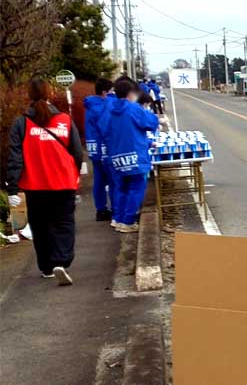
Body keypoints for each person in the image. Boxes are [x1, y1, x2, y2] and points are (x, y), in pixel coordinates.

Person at [5, 77, 85, 284]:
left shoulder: (21, 123)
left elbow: (15, 157)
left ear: (29, 95)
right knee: (64, 223)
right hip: (63, 183)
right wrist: (74, 174)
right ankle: (62, 261)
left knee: (40, 227)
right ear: (50, 94)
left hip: (35, 186)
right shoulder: (65, 120)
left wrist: (13, 188)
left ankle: (47, 267)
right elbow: (76, 152)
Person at [103, 77, 159, 233]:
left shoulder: (111, 110)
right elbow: (151, 122)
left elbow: (107, 132)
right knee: (136, 188)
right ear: (130, 94)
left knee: (121, 188)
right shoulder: (133, 109)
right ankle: (128, 221)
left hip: (117, 157)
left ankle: (118, 219)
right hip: (135, 156)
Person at [84, 78, 114, 220]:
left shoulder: (90, 105)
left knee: (99, 181)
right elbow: (106, 127)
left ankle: (100, 210)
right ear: (104, 92)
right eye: (110, 91)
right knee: (113, 180)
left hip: (93, 148)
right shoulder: (103, 106)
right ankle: (116, 209)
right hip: (104, 148)